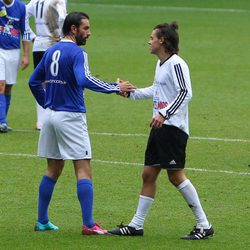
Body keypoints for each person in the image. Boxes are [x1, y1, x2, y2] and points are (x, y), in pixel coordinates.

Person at [28, 12, 135, 235]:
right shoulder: (78, 52)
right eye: (86, 28)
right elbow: (84, 79)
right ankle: (88, 224)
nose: (89, 33)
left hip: (50, 117)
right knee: (83, 168)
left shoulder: (50, 51)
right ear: (74, 29)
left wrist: (47, 103)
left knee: (53, 168)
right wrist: (116, 88)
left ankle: (42, 220)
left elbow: (33, 81)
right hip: (71, 116)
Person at [109, 22, 214, 240]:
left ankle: (204, 225)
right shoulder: (161, 64)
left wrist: (164, 114)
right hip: (160, 127)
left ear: (162, 41)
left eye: (152, 37)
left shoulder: (177, 64)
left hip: (172, 128)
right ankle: (136, 225)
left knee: (175, 176)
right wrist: (131, 93)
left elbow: (186, 93)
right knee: (148, 174)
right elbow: (157, 90)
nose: (149, 41)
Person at [26, 0, 67, 130]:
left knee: (41, 82)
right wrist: (62, 35)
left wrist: (32, 36)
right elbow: (62, 17)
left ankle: (41, 121)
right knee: (57, 80)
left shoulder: (35, 1)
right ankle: (57, 116)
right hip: (55, 44)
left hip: (38, 44)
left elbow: (23, 17)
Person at [0, 0, 31, 132]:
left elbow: (26, 32)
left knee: (8, 87)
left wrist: (25, 55)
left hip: (14, 52)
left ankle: (3, 121)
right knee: (0, 84)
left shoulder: (22, 8)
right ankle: (2, 122)